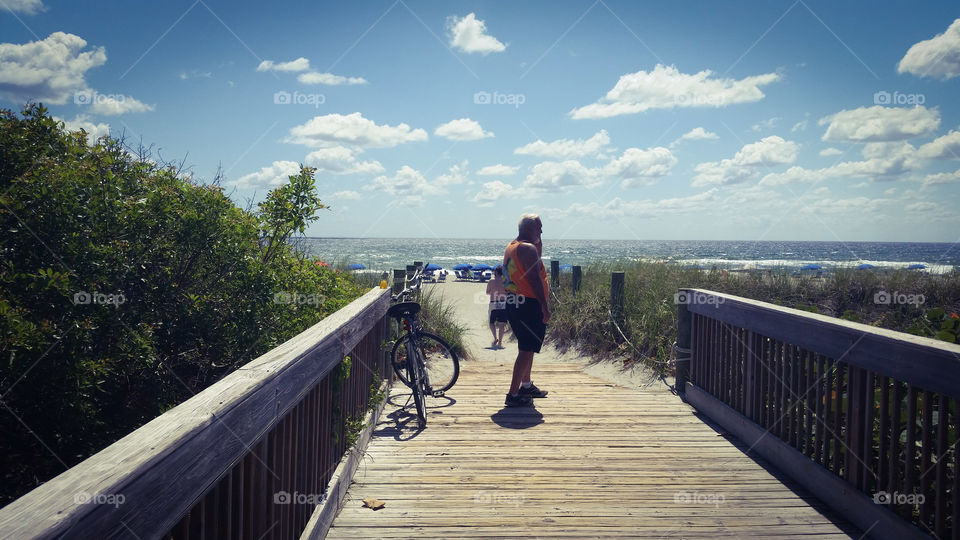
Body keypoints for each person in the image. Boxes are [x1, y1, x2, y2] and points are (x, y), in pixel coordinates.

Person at [502, 213, 550, 407]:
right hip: (528, 304)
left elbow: (535, 260)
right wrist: (544, 306)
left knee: (526, 347)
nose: (542, 230)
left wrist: (538, 241)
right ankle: (513, 394)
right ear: (530, 229)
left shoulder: (514, 246)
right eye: (539, 227)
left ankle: (526, 385)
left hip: (514, 301)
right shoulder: (527, 249)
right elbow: (534, 280)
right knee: (526, 349)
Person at [486, 265, 509, 348]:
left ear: (496, 272)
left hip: (493, 303)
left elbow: (487, 292)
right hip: (503, 303)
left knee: (491, 322)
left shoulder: (491, 281)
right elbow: (508, 292)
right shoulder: (505, 281)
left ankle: (495, 338)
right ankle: (500, 342)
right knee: (501, 324)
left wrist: (493, 292)